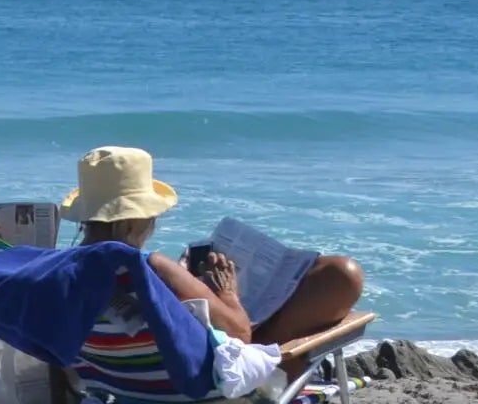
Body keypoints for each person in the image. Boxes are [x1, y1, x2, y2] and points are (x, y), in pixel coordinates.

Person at [60, 145, 367, 346]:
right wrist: (227, 292)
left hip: (128, 392)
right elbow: (241, 334)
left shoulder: (61, 272)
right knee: (339, 274)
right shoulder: (153, 268)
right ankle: (285, 397)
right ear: (133, 221)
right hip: (196, 396)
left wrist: (183, 282)